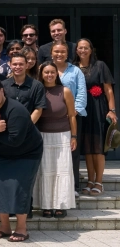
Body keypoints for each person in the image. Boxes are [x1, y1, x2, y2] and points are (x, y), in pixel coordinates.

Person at [0, 79, 43, 242]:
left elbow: (15, 141)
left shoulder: (16, 110)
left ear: (2, 92)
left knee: (19, 187)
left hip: (27, 153)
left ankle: (22, 228)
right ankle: (4, 227)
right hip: (3, 154)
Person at [32, 61, 77, 218]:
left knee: (61, 171)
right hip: (42, 135)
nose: (49, 75)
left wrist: (73, 136)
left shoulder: (65, 91)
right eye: (46, 72)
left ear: (56, 74)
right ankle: (45, 205)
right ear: (41, 74)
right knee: (45, 171)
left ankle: (60, 205)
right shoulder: (37, 90)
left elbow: (72, 115)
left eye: (52, 72)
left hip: (62, 136)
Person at [75, 38, 116, 196]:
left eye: (86, 47)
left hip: (98, 108)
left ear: (91, 50)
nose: (83, 50)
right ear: (76, 50)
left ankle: (99, 182)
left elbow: (109, 90)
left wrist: (112, 110)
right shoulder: (74, 67)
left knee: (98, 147)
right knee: (87, 147)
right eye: (80, 48)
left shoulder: (100, 66)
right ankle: (90, 181)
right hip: (82, 110)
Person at [51, 41, 87, 197]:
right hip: (50, 119)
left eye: (62, 52)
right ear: (51, 53)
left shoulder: (76, 71)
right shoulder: (46, 69)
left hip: (72, 118)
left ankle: (73, 186)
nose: (59, 54)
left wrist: (74, 112)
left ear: (68, 54)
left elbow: (81, 93)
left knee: (72, 151)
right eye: (56, 52)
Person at [2, 53, 46, 123]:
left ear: (26, 65)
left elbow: (38, 109)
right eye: (15, 64)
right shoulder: (3, 85)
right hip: (8, 128)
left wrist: (26, 126)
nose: (18, 67)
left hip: (29, 129)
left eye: (21, 64)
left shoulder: (37, 85)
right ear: (10, 65)